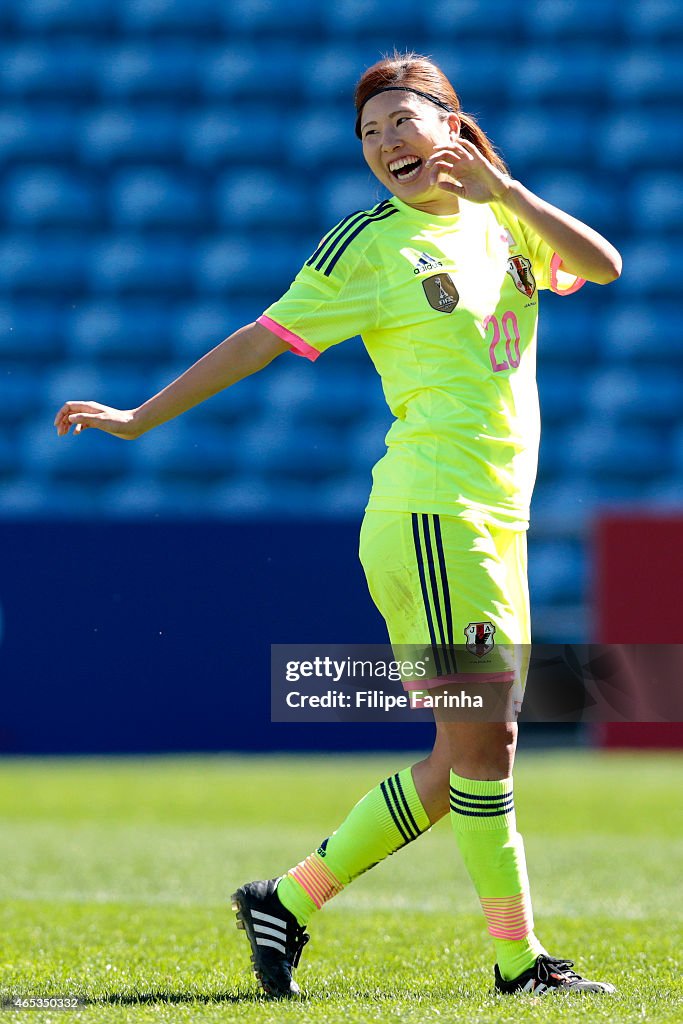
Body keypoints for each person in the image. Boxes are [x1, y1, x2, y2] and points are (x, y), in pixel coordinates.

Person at [55, 52, 621, 1000]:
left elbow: (603, 267)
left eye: (402, 120)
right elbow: (258, 338)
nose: (384, 142)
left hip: (493, 521)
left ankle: (288, 900)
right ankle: (519, 963)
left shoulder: (502, 222)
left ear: (451, 123)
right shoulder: (367, 246)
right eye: (368, 133)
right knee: (486, 743)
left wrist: (508, 189)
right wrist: (139, 416)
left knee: (469, 754)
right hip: (432, 515)